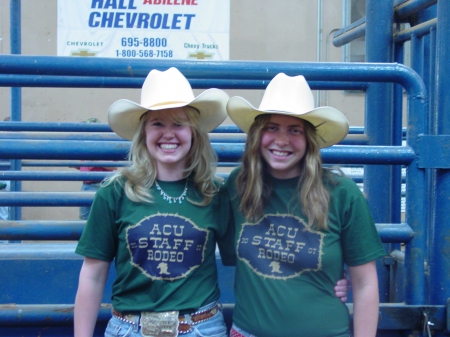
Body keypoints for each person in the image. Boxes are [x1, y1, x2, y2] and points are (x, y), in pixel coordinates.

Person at [223, 73, 385, 337]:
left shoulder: (341, 193)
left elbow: (366, 284)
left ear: (309, 139)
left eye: (294, 130)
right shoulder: (238, 186)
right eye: (272, 127)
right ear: (257, 134)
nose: (282, 140)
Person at [74, 67, 232, 337]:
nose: (168, 134)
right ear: (144, 133)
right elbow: (92, 274)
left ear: (194, 133)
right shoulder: (114, 193)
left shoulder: (215, 193)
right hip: (129, 328)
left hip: (201, 328)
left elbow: (248, 256)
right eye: (158, 123)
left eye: (179, 124)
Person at [76, 118, 116, 220]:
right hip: (86, 185)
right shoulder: (84, 145)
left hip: (99, 184)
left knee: (99, 219)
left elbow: (113, 166)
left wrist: (95, 158)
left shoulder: (105, 145)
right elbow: (81, 165)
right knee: (84, 219)